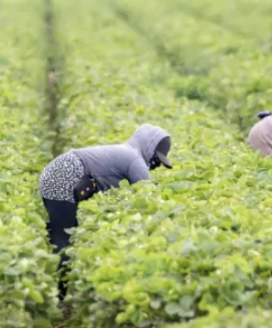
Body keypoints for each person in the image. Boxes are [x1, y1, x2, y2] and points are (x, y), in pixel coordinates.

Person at [38, 124, 172, 295]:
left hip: (58, 172)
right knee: (63, 238)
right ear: (149, 147)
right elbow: (148, 198)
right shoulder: (134, 160)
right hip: (63, 176)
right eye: (157, 159)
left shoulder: (128, 152)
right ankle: (58, 293)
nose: (156, 165)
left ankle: (52, 275)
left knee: (64, 228)